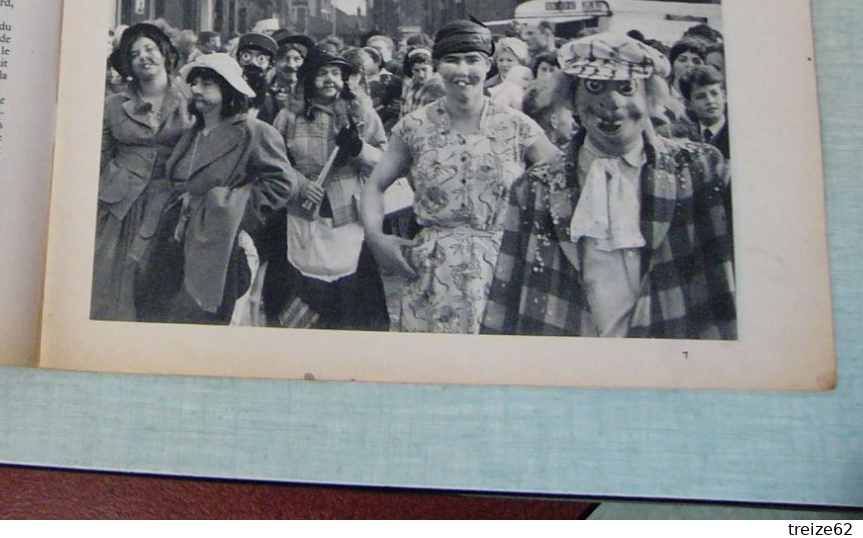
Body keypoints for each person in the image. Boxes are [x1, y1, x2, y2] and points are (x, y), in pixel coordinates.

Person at [482, 32, 735, 338]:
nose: (612, 102)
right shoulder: (534, 188)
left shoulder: (700, 170)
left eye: (627, 88)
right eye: (595, 87)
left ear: (649, 96)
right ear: (573, 97)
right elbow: (504, 298)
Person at [363, 21, 559, 334]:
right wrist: (376, 237)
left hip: (502, 266)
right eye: (452, 60)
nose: (462, 70)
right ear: (438, 65)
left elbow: (561, 180)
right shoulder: (415, 127)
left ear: (488, 65)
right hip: (432, 270)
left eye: (472, 60)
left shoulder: (518, 127)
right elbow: (375, 185)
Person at [130, 54, 295, 324]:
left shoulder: (254, 132)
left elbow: (281, 182)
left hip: (222, 243)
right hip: (175, 235)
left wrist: (233, 210)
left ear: (228, 90)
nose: (195, 90)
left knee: (207, 319)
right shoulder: (191, 132)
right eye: (194, 83)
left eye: (206, 84)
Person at [267, 49, 390, 330]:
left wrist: (358, 149)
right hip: (303, 213)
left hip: (346, 215)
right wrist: (299, 185)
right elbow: (274, 161)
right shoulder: (288, 116)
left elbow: (385, 163)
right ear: (309, 79)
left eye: (336, 73)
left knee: (346, 287)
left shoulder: (362, 114)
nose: (329, 80)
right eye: (322, 73)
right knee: (305, 284)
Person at [92, 23, 192, 322]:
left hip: (169, 203)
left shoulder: (191, 99)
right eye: (135, 54)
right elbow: (98, 155)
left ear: (164, 53)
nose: (143, 57)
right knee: (108, 276)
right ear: (128, 65)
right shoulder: (113, 105)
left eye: (150, 49)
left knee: (155, 280)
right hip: (118, 205)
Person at [681, 65, 729, 159]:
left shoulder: (737, 132)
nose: (710, 101)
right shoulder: (685, 134)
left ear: (724, 96)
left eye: (714, 94)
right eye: (701, 96)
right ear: (688, 104)